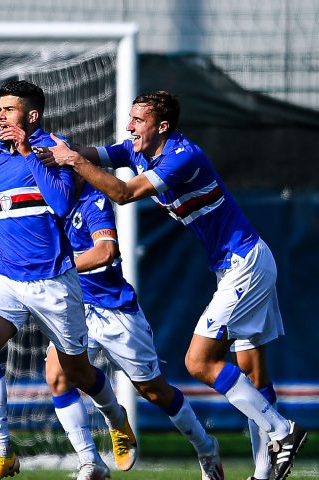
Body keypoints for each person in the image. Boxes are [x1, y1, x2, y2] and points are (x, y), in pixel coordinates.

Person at [35, 90, 307, 480]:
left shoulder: (182, 156)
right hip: (236, 265)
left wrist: (73, 160)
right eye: (129, 119)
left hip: (245, 264)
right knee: (253, 374)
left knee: (199, 361)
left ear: (162, 126)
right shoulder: (138, 150)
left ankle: (283, 431)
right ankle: (264, 474)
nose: (129, 127)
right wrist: (39, 144)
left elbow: (124, 193)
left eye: (137, 121)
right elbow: (95, 154)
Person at [0, 80, 133, 480]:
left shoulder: (54, 149)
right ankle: (2, 453)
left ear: (32, 115)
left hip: (54, 281)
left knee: (76, 374)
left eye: (9, 109)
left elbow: (60, 202)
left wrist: (28, 151)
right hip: (6, 276)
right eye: (0, 109)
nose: (1, 115)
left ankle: (114, 414)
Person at [46, 174, 223, 479]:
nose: (50, 181)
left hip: (114, 310)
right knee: (58, 377)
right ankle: (91, 461)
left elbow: (105, 251)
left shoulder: (94, 200)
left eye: (55, 172)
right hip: (74, 307)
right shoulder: (49, 200)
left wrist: (58, 265)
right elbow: (2, 197)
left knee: (153, 391)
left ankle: (206, 448)